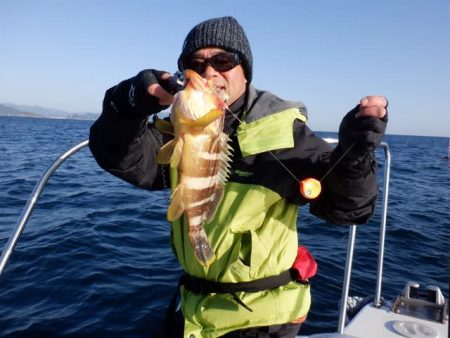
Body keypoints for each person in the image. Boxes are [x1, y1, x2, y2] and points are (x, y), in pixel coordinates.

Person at [89, 16, 387, 338]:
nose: (209, 72)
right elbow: (121, 156)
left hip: (261, 317)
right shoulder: (178, 131)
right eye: (195, 63)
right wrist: (126, 104)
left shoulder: (286, 132)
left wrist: (354, 155)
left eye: (223, 60)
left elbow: (347, 210)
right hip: (192, 305)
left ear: (245, 72)